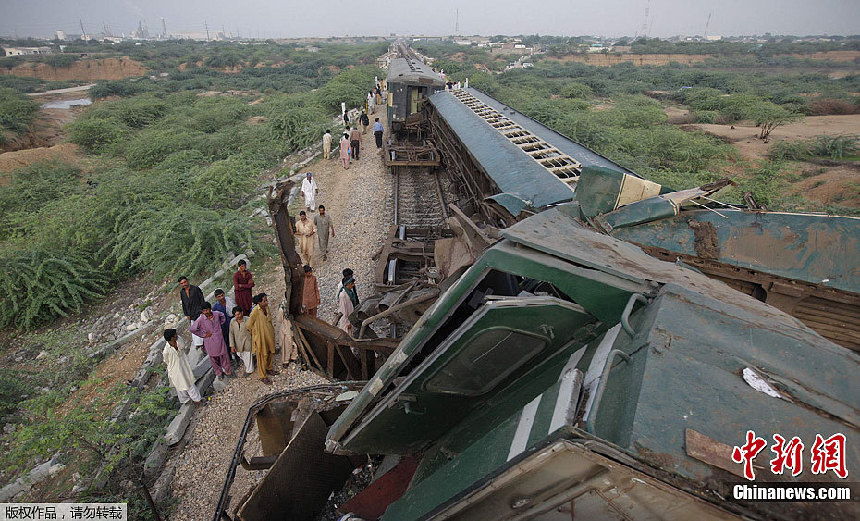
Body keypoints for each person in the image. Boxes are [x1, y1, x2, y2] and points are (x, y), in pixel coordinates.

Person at [190, 302, 232, 380]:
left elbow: (223, 317)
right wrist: (203, 334)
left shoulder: (216, 314)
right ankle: (219, 373)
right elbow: (192, 329)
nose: (206, 312)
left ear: (210, 309)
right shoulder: (201, 319)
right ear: (202, 311)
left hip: (219, 338)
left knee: (224, 356)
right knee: (213, 359)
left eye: (207, 310)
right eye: (204, 311)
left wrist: (220, 326)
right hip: (210, 341)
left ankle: (228, 371)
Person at [162, 329, 202, 405]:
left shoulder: (179, 340)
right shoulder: (166, 351)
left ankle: (197, 399)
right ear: (171, 338)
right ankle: (186, 401)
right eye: (175, 335)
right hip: (175, 370)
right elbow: (166, 361)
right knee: (180, 386)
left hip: (183, 365)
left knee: (189, 382)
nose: (177, 335)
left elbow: (183, 345)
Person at [246, 293, 277, 384]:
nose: (266, 302)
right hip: (261, 337)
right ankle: (262, 376)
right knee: (262, 356)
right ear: (259, 302)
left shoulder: (267, 308)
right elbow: (248, 325)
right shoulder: (255, 311)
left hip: (269, 335)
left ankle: (269, 368)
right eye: (264, 300)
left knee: (271, 352)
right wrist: (255, 334)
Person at [178, 276, 205, 350]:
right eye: (182, 283)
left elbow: (202, 300)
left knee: (203, 327)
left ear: (188, 281)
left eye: (185, 282)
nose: (184, 284)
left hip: (199, 311)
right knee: (194, 329)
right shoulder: (182, 292)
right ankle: (199, 344)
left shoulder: (195, 289)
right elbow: (184, 304)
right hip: (191, 314)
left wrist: (204, 310)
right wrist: (186, 314)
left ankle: (205, 343)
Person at [229, 306, 254, 377]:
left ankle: (249, 370)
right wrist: (232, 345)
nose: (238, 316)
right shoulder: (232, 321)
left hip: (247, 342)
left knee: (247, 356)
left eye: (239, 314)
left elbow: (253, 331)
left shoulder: (248, 320)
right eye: (236, 315)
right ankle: (250, 364)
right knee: (241, 355)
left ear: (242, 313)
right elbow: (231, 333)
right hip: (238, 343)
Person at [212, 289, 236, 364]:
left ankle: (238, 357)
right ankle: (230, 359)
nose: (221, 297)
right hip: (223, 328)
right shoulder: (215, 307)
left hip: (232, 324)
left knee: (236, 340)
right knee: (226, 342)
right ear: (216, 298)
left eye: (222, 295)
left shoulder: (230, 302)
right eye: (219, 296)